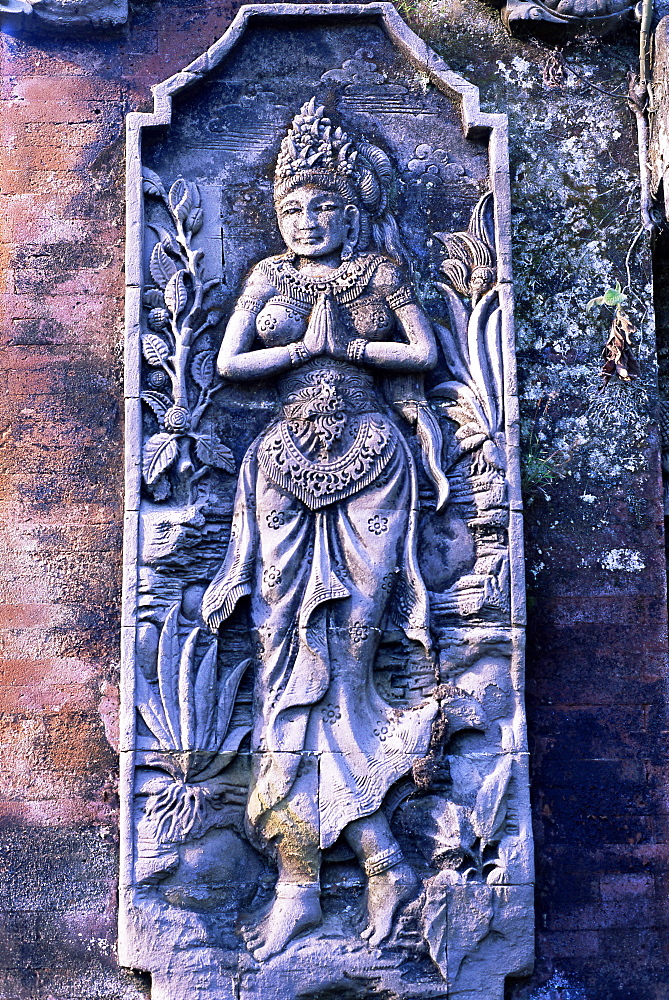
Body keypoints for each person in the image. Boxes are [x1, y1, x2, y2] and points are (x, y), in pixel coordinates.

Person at [202, 98, 448, 961]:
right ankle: (352, 866)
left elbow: (421, 353)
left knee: (347, 651)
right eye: (292, 206)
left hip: (371, 463)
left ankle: (334, 874)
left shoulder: (379, 272)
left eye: (321, 205)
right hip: (280, 465)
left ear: (351, 207)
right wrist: (303, 350)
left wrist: (352, 347)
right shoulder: (268, 277)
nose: (305, 219)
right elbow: (232, 362)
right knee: (278, 653)